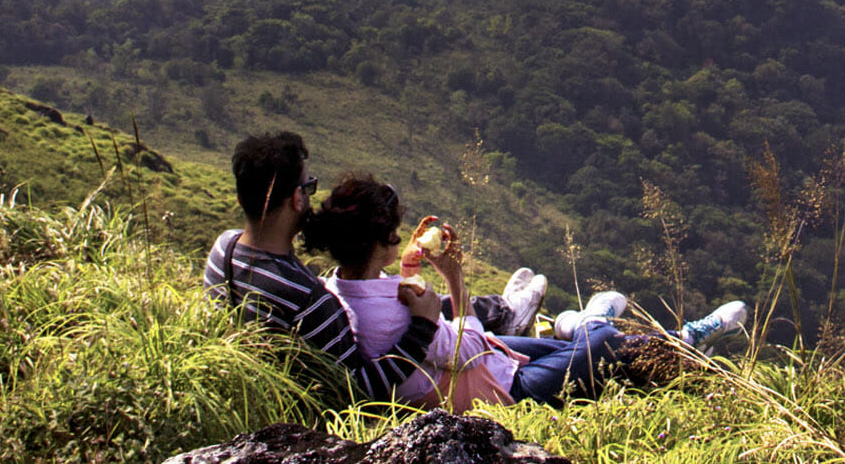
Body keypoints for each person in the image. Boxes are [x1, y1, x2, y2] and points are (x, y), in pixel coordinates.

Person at [300, 170, 749, 408]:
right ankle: (638, 331)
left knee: (611, 349)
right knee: (608, 343)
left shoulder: (338, 287)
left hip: (487, 364)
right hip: (500, 392)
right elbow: (467, 347)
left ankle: (624, 332)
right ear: (378, 242)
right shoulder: (392, 315)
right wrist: (454, 278)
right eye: (395, 234)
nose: (400, 240)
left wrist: (412, 271)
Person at [203, 132, 441, 400]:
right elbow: (355, 390)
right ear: (296, 198)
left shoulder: (223, 249)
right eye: (309, 187)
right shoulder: (309, 300)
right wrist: (422, 328)